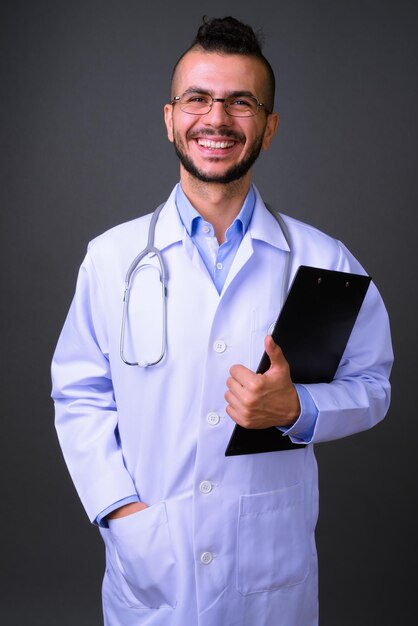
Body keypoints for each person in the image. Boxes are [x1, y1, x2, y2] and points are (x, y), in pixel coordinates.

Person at [51, 15, 393, 626]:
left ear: (269, 127)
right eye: (198, 99)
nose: (216, 119)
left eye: (241, 102)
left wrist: (295, 410)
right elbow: (79, 393)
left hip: (269, 575)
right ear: (169, 118)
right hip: (153, 563)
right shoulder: (111, 259)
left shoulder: (324, 262)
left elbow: (373, 386)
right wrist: (119, 509)